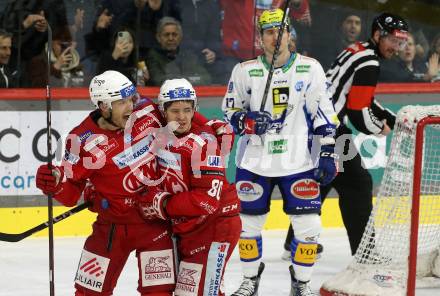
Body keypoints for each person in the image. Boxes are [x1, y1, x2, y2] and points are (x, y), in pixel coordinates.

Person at [222, 8, 339, 296]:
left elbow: (324, 113)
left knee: (309, 227)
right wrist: (245, 121)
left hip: (298, 162)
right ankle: (250, 279)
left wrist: (326, 153)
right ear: (260, 38)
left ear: (290, 34)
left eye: (280, 31)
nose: (275, 37)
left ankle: (301, 283)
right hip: (254, 161)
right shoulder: (244, 70)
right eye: (269, 32)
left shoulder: (310, 68)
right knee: (247, 226)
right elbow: (229, 111)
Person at [35, 70, 176, 296]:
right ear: (103, 106)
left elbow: (182, 119)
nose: (131, 107)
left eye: (132, 99)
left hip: (155, 225)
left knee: (160, 293)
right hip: (111, 229)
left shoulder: (147, 111)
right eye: (121, 102)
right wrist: (54, 184)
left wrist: (208, 128)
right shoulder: (80, 140)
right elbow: (70, 195)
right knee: (89, 293)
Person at [284, 13, 409, 260]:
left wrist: (395, 118)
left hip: (312, 124)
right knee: (358, 184)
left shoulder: (358, 50)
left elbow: (361, 98)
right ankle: (366, 254)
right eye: (393, 41)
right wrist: (378, 128)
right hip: (329, 129)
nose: (397, 47)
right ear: (377, 35)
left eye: (401, 42)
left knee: (325, 178)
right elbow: (358, 111)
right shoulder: (369, 62)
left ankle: (294, 241)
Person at [137, 78, 241, 296]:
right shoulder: (161, 133)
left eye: (187, 110)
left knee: (199, 292)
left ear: (195, 109)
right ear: (163, 112)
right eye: (175, 111)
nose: (182, 117)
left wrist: (163, 204)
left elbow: (207, 200)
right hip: (189, 225)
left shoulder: (204, 144)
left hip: (216, 226)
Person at [145, 16, 212, 86]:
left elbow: (206, 78)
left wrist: (182, 80)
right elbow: (159, 81)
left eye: (174, 34)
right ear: (158, 38)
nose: (170, 38)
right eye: (166, 35)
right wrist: (189, 79)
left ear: (180, 37)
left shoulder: (187, 55)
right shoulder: (153, 56)